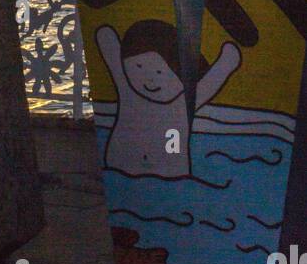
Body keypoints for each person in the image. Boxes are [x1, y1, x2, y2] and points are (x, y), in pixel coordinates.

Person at [96, 19, 240, 178]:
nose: (149, 78)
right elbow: (109, 46)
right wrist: (228, 60)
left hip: (169, 179)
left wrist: (226, 62)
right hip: (121, 172)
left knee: (173, 144)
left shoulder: (181, 105)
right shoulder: (127, 90)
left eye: (159, 72)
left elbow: (210, 83)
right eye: (139, 67)